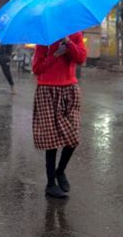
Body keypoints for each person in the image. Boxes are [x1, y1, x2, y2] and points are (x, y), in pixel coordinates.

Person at [32, 32, 86, 198]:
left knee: (73, 136)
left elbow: (81, 58)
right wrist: (55, 54)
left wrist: (68, 43)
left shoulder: (76, 35)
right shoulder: (44, 39)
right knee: (51, 140)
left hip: (70, 89)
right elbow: (36, 68)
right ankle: (50, 184)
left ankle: (60, 171)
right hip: (47, 90)